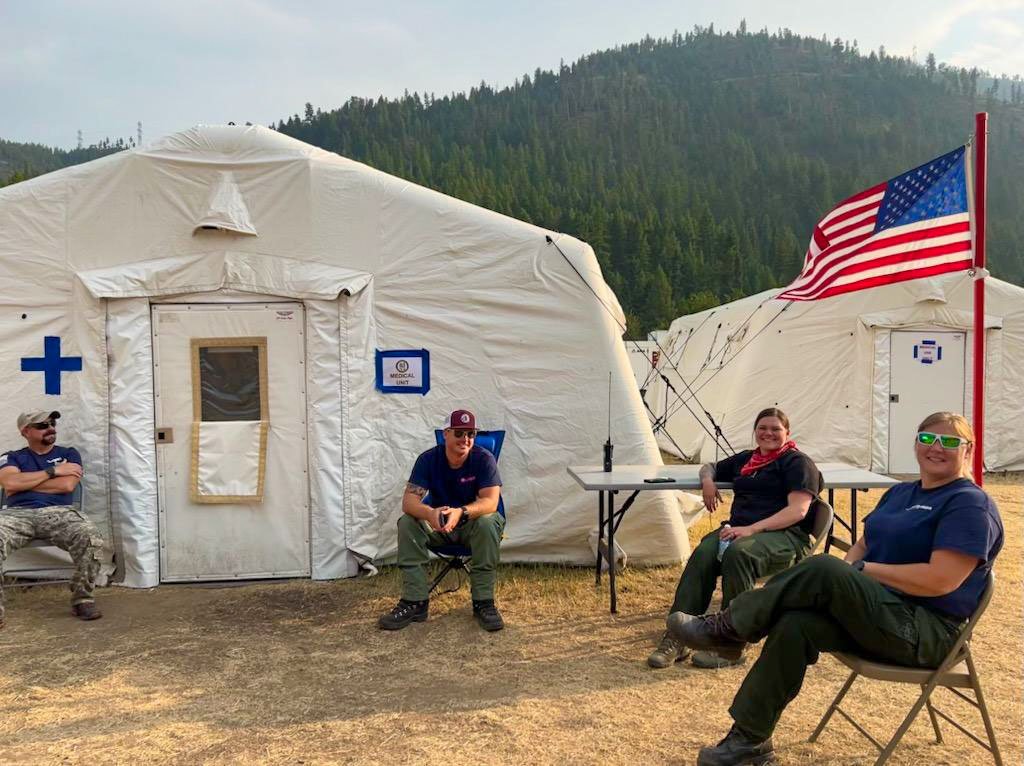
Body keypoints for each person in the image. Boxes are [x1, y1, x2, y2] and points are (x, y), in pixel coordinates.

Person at [669, 412, 1003, 766]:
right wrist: (850, 578)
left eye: (950, 442)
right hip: (880, 614)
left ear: (968, 450)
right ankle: (748, 742)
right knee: (796, 624)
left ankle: (730, 628)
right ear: (916, 444)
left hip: (926, 631)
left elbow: (941, 580)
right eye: (928, 439)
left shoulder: (969, 504)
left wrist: (858, 573)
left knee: (824, 567)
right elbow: (864, 543)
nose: (936, 448)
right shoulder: (901, 493)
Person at [649, 407, 823, 670]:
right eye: (763, 428)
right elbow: (710, 467)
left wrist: (752, 529)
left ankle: (731, 643)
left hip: (786, 537)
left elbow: (797, 511)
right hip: (741, 530)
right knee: (704, 552)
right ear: (755, 431)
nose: (768, 434)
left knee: (738, 553)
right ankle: (679, 636)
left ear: (787, 432)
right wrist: (708, 481)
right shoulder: (748, 459)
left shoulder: (798, 463)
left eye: (776, 429)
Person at [378, 409, 505, 632]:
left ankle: (483, 602)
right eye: (459, 433)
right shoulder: (428, 459)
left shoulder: (484, 458)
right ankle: (415, 601)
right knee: (408, 522)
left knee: (488, 521)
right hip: (438, 525)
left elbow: (491, 503)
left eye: (470, 433)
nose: (465, 439)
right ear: (445, 434)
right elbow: (409, 502)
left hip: (472, 526)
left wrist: (461, 512)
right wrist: (429, 513)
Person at [0, 411, 104, 627]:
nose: (50, 428)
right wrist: (54, 471)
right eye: (42, 425)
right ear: (25, 431)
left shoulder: (69, 453)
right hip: (16, 514)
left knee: (92, 538)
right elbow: (9, 484)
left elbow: (66, 486)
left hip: (60, 512)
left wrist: (24, 482)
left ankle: (82, 598)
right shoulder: (12, 457)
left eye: (52, 423)